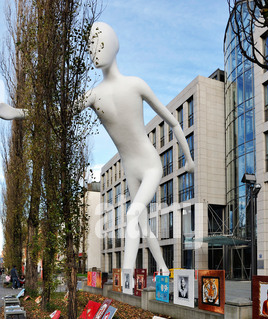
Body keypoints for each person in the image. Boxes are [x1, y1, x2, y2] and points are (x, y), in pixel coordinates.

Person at [0, 22, 195, 275]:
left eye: (98, 42)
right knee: (142, 224)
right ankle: (163, 270)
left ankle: (125, 280)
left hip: (149, 164)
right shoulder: (94, 95)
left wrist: (188, 159)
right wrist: (18, 114)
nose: (93, 50)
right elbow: (57, 114)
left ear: (113, 45)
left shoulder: (135, 84)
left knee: (133, 214)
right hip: (129, 167)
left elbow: (173, 121)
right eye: (90, 45)